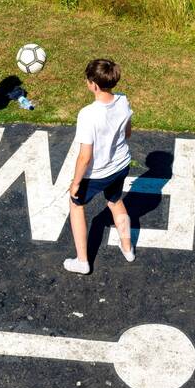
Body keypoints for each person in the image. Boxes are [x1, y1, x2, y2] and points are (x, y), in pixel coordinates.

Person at [64, 59, 135, 275]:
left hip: (98, 173)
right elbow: (128, 133)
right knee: (115, 201)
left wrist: (75, 183)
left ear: (93, 84)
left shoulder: (88, 114)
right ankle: (127, 248)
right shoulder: (123, 100)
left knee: (76, 205)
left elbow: (85, 157)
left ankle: (83, 261)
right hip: (121, 164)